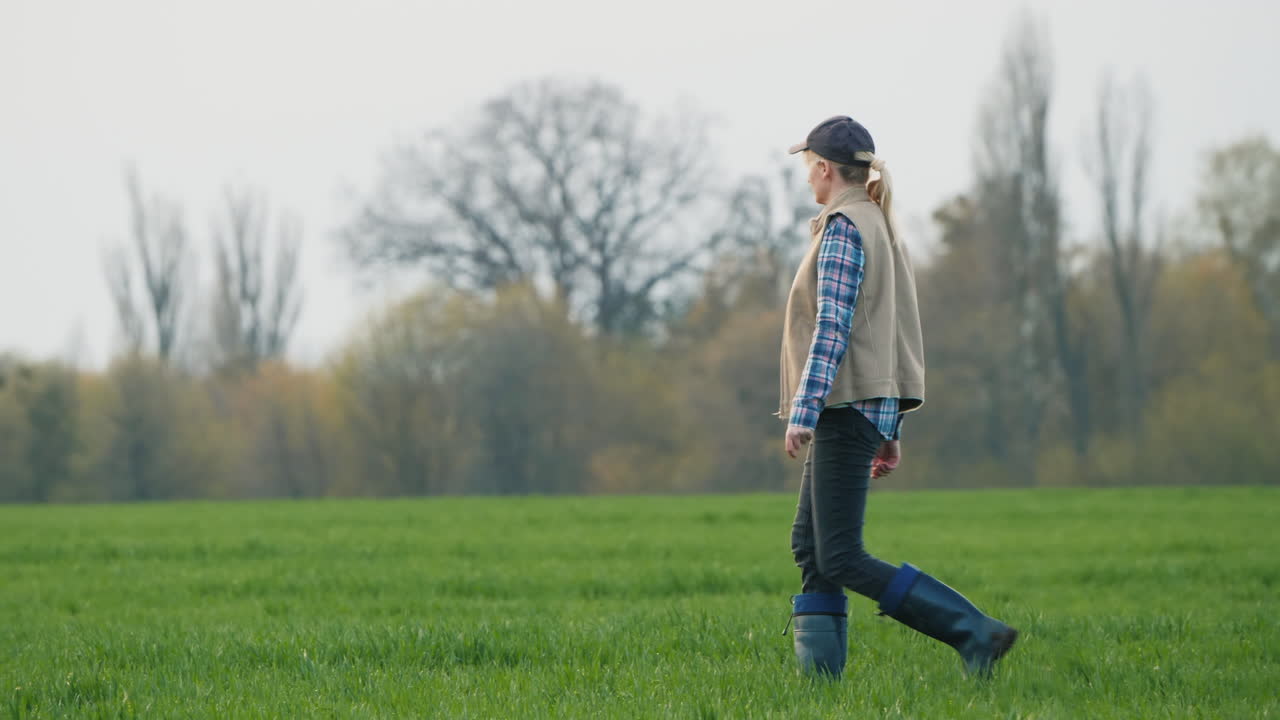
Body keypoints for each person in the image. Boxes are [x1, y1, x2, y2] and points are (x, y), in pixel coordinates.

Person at [779, 116, 1018, 678]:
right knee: (811, 546)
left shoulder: (844, 227)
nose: (806, 177)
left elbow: (833, 326)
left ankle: (975, 632)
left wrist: (804, 410)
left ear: (823, 167)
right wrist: (892, 429)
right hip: (864, 410)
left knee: (838, 553)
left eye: (807, 166)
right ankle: (819, 688)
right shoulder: (880, 225)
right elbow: (891, 334)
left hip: (841, 410)